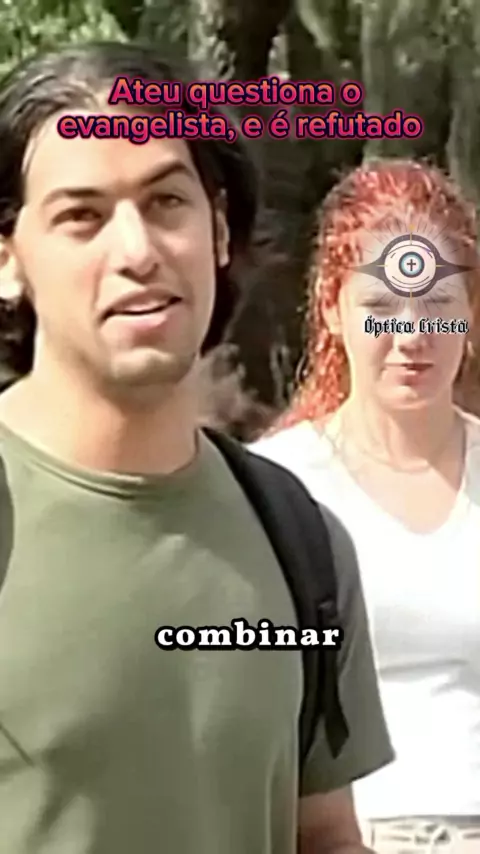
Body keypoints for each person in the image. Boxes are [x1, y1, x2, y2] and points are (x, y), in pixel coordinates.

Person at [0, 42, 393, 854]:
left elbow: (323, 835)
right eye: (82, 216)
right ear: (8, 259)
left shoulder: (300, 543)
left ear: (217, 229)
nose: (137, 251)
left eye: (166, 202)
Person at [251, 159, 480, 853]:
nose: (412, 336)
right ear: (332, 308)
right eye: (382, 306)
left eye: (437, 304)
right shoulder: (280, 486)